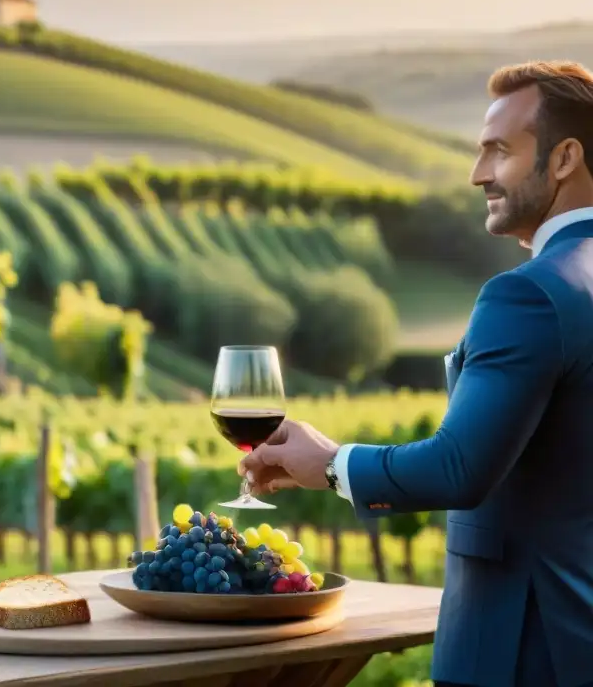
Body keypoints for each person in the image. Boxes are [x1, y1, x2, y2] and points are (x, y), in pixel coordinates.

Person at [240, 60, 593, 687]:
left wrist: (329, 462)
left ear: (565, 159)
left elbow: (460, 468)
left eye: (499, 151)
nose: (478, 173)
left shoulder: (530, 296)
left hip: (520, 650)